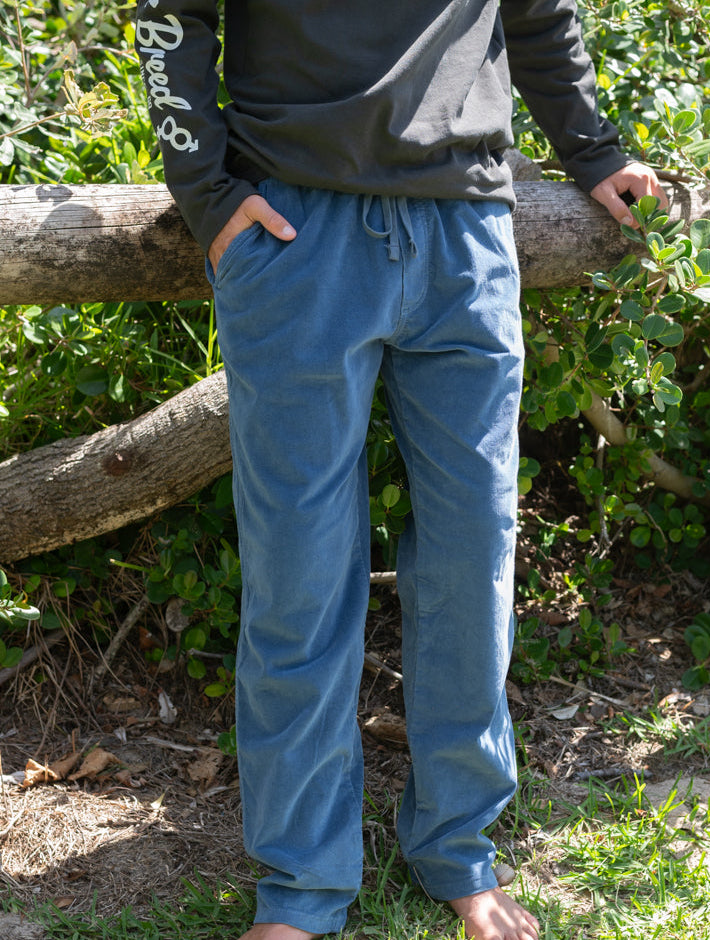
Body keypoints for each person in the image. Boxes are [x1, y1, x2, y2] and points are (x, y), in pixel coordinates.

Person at [135, 3, 665, 939]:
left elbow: (538, 13)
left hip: (464, 236)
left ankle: (461, 847)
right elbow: (168, 13)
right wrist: (208, 196)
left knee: (473, 560)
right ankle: (300, 885)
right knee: (298, 567)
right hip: (298, 231)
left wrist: (592, 150)